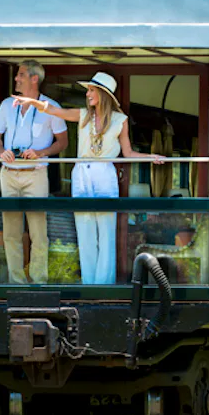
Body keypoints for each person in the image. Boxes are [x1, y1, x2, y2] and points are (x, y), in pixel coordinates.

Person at [12, 72, 163, 284]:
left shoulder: (120, 120)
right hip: (81, 173)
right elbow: (54, 110)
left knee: (106, 232)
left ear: (103, 94)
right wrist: (32, 102)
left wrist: (151, 157)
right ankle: (89, 285)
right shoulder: (83, 115)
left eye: (92, 90)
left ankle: (104, 286)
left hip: (105, 173)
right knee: (85, 232)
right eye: (88, 90)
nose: (88, 94)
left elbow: (128, 153)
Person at [0, 61, 69, 284]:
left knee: (38, 233)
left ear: (35, 79)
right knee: (11, 233)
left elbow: (62, 142)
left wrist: (41, 153)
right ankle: (16, 283)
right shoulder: (6, 104)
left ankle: (39, 282)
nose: (16, 79)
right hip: (8, 173)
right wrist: (2, 152)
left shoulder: (51, 107)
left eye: (21, 75)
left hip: (36, 174)